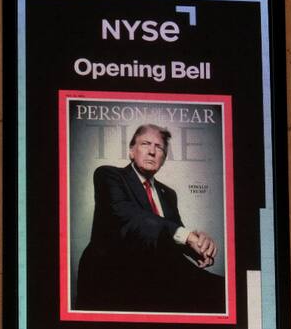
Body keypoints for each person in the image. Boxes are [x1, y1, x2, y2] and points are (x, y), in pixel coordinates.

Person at [75, 124, 225, 313]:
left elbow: (173, 235)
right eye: (145, 144)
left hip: (158, 277)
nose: (152, 151)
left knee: (224, 292)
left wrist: (200, 246)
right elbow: (130, 218)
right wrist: (187, 236)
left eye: (159, 147)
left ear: (164, 158)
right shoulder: (108, 175)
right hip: (113, 277)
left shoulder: (168, 194)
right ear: (131, 151)